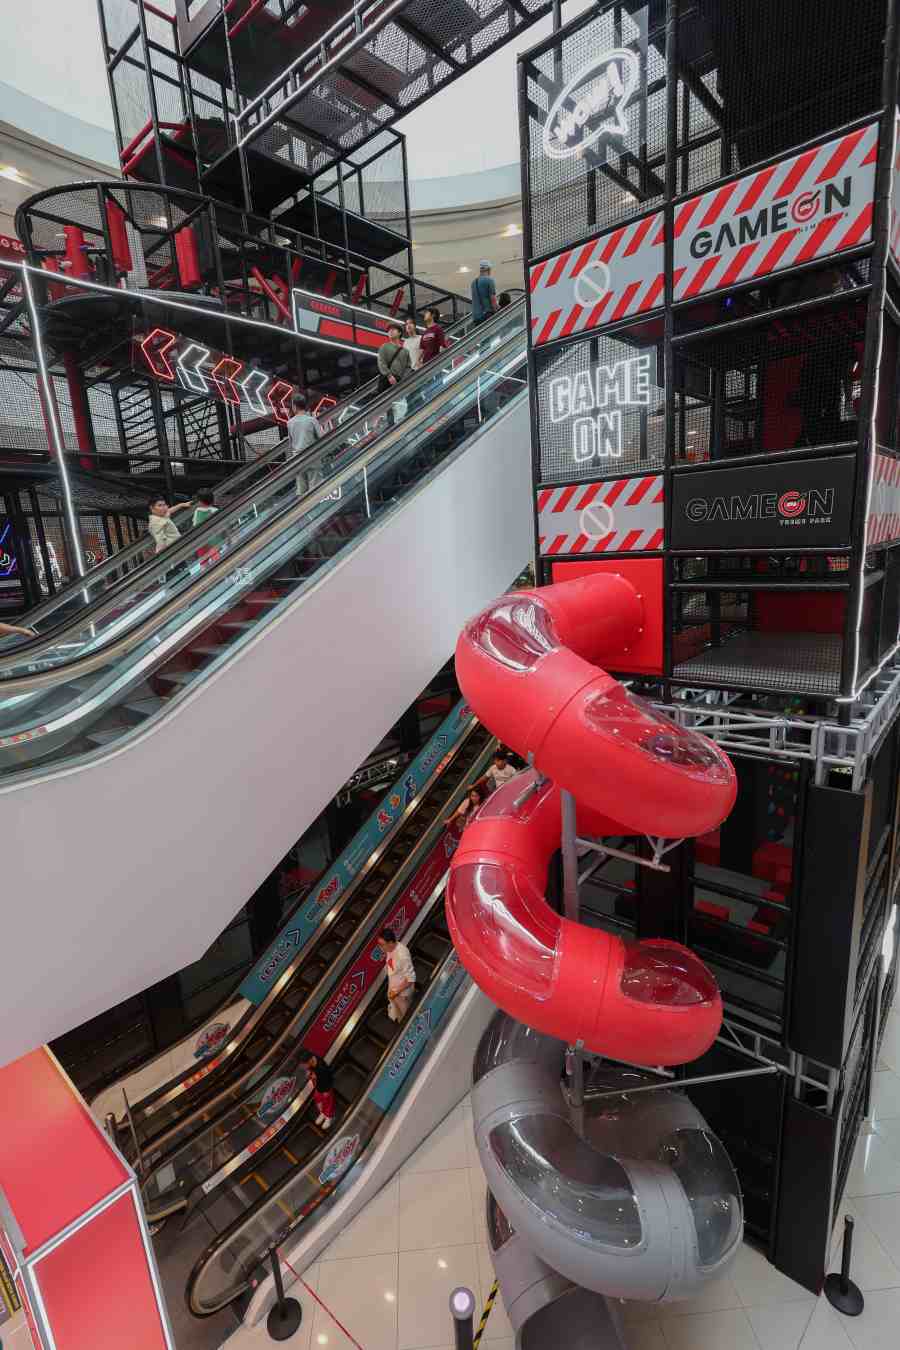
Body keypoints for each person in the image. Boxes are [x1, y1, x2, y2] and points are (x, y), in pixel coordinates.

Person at [287, 393, 325, 495]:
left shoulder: (290, 423)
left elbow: (291, 443)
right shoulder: (312, 420)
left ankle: (302, 505)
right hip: (312, 457)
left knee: (301, 491)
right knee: (315, 490)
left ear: (294, 406)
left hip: (298, 460)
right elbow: (322, 437)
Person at [381, 927, 416, 1023]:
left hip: (403, 994)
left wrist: (396, 991)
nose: (381, 947)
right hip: (395, 991)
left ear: (390, 943)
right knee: (400, 1015)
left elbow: (410, 979)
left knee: (406, 1019)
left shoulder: (402, 954)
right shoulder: (390, 950)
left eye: (382, 945)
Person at [300, 1052, 335, 1130]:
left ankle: (329, 1117)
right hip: (318, 1087)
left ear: (310, 1061)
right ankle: (323, 1113)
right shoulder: (312, 1064)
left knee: (328, 1102)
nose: (304, 1067)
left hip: (325, 1088)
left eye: (305, 1065)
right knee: (318, 1100)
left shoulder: (321, 1067)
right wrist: (311, 1074)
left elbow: (329, 1077)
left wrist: (327, 1090)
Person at [377, 324, 411, 394]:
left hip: (400, 381)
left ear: (399, 333)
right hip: (387, 380)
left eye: (393, 329)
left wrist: (403, 378)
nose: (390, 331)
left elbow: (408, 366)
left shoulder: (405, 351)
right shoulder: (384, 347)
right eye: (389, 330)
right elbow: (381, 363)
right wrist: (389, 376)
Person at [192, 491, 220, 566]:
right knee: (216, 559)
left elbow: (195, 525)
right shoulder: (215, 511)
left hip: (201, 541)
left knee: (203, 561)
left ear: (200, 501)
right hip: (213, 540)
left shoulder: (197, 511)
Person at [470, 260, 498, 325]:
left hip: (476, 316)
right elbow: (493, 299)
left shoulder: (473, 282)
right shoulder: (489, 280)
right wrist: (497, 310)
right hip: (486, 315)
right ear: (488, 269)